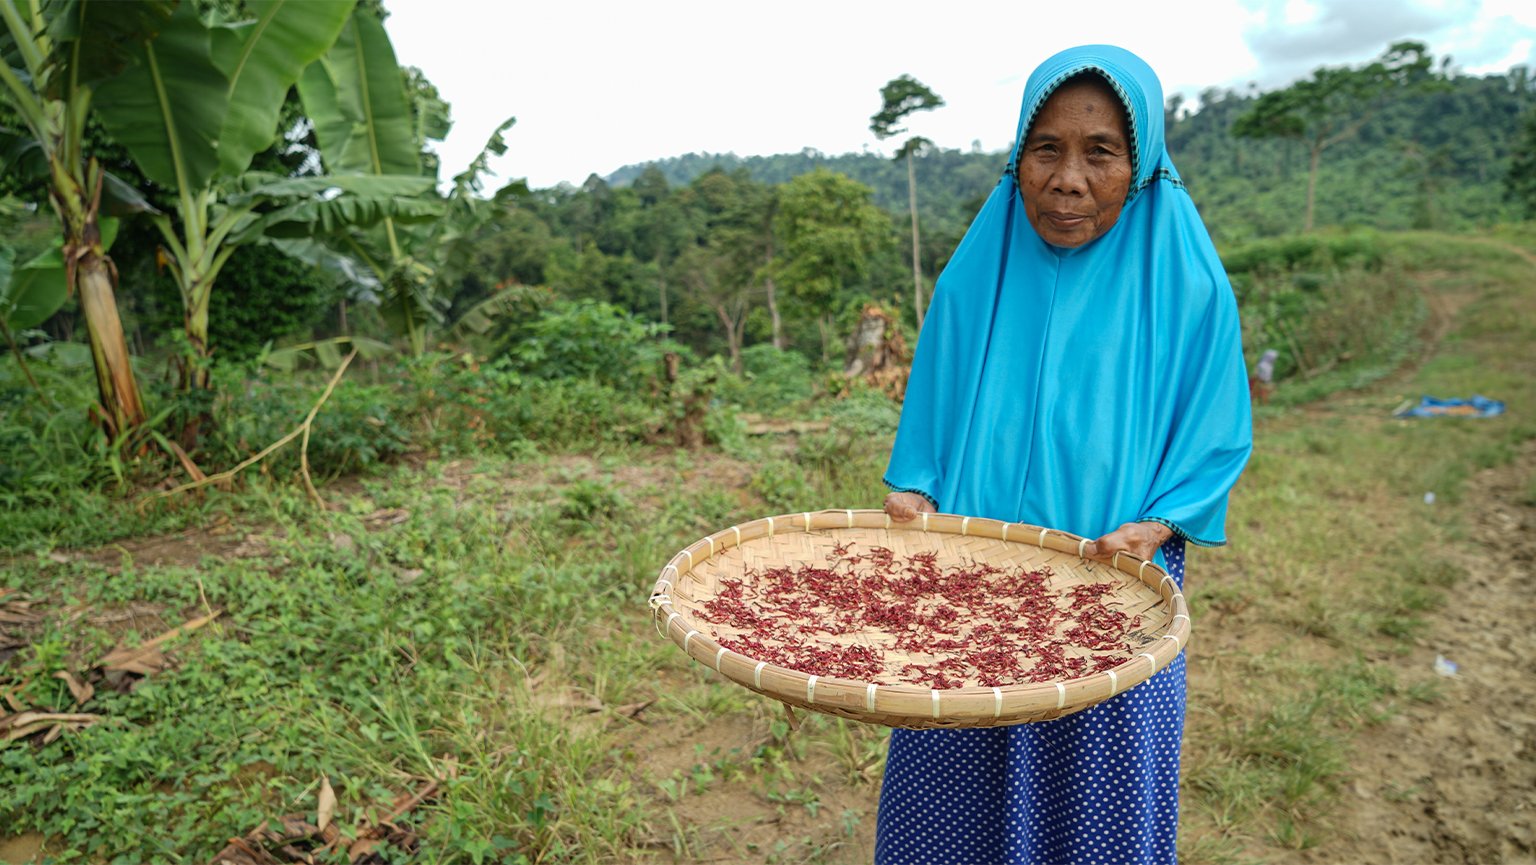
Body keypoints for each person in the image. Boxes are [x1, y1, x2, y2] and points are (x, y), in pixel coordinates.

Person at [877, 45, 1253, 865]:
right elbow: (934, 403)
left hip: (1110, 588)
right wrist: (914, 484)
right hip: (971, 583)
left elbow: (1216, 429)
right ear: (1019, 156)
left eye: (1101, 152)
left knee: (1095, 808)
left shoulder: (1187, 285)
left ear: (1143, 162)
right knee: (950, 796)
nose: (1067, 178)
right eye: (1045, 148)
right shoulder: (980, 270)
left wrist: (1158, 523)